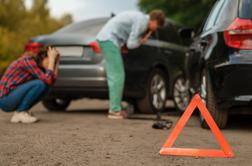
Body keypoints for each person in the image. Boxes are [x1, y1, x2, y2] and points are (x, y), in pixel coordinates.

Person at [97, 10, 165, 119]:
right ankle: (114, 111)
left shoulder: (141, 18)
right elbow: (131, 44)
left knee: (115, 75)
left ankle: (115, 108)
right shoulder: (142, 22)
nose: (156, 29)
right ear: (154, 21)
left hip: (107, 39)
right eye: (157, 25)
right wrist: (142, 41)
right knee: (117, 76)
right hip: (109, 40)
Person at [0, 46, 60, 123]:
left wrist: (57, 61)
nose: (52, 63)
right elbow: (48, 80)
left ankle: (22, 111)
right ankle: (20, 112)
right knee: (40, 84)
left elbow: (51, 81)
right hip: (5, 100)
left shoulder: (39, 67)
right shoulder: (28, 60)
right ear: (43, 57)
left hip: (12, 97)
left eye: (54, 61)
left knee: (46, 86)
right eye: (51, 59)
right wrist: (52, 59)